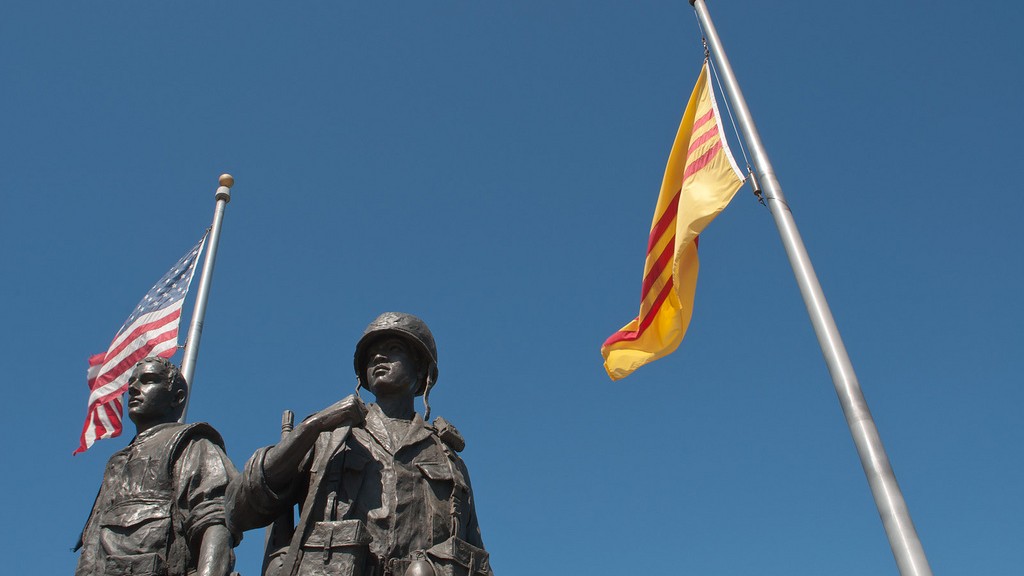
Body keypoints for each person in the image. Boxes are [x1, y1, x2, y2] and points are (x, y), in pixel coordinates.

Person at [228, 312, 492, 576]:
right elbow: (239, 509)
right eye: (372, 354)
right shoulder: (328, 436)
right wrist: (312, 427)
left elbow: (475, 558)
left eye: (394, 349)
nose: (378, 357)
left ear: (421, 369)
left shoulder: (447, 457)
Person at [75, 357, 239, 576]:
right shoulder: (117, 462)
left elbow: (216, 521)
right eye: (132, 382)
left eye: (148, 380)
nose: (133, 388)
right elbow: (93, 547)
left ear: (177, 397)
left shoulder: (192, 444)